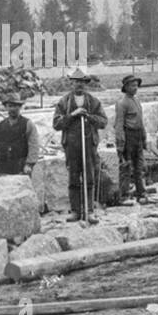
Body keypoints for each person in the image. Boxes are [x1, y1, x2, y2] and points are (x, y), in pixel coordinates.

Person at [51, 65, 108, 223]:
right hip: (72, 145)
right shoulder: (64, 102)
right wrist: (72, 115)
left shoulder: (93, 102)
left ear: (86, 83)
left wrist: (89, 117)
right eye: (76, 82)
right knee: (74, 178)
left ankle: (89, 210)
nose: (79, 85)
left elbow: (103, 121)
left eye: (82, 82)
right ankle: (75, 210)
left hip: (89, 145)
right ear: (71, 83)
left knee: (89, 177)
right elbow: (56, 124)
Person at [113, 74, 149, 204]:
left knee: (139, 167)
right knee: (126, 167)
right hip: (128, 137)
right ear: (126, 87)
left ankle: (141, 193)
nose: (135, 88)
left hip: (138, 137)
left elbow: (140, 122)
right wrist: (120, 144)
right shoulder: (122, 103)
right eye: (132, 85)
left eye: (136, 85)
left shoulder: (137, 101)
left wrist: (144, 139)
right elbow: (119, 125)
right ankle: (124, 196)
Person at [0, 93, 40, 176]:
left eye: (15, 106)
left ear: (20, 107)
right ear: (6, 107)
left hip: (21, 167)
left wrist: (29, 164)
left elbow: (33, 145)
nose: (12, 109)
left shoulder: (28, 124)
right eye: (10, 106)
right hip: (2, 167)